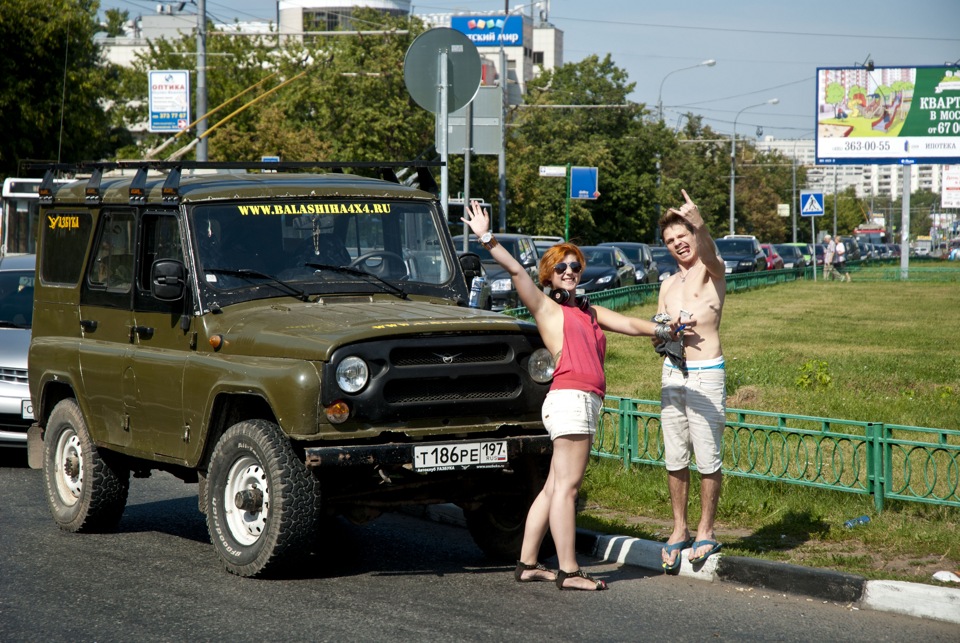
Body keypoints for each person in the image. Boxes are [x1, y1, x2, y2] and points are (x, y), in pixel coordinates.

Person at [462, 200, 685, 591]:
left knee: (552, 487)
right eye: (561, 268)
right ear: (548, 276)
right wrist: (486, 237)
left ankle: (528, 563)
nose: (569, 272)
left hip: (581, 400)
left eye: (575, 266)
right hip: (570, 399)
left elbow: (632, 324)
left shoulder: (589, 311)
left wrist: (666, 330)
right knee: (568, 488)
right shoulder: (547, 308)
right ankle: (569, 570)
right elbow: (515, 269)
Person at [655, 189, 728, 571]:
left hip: (706, 374)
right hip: (672, 373)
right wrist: (666, 332)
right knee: (675, 456)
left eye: (682, 236)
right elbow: (656, 334)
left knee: (707, 455)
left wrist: (699, 223)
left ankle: (706, 530)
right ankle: (679, 528)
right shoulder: (667, 284)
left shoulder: (712, 269)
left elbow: (712, 254)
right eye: (670, 241)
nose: (678, 244)